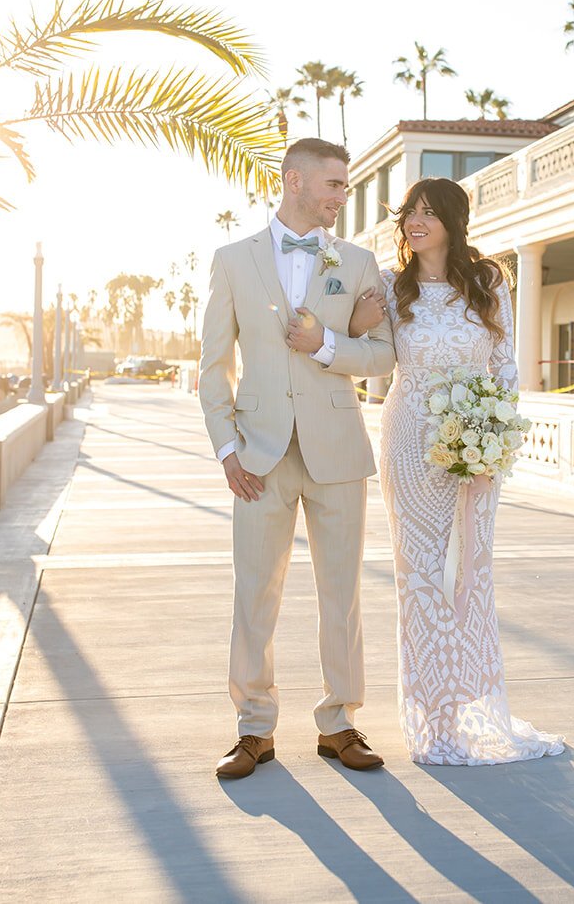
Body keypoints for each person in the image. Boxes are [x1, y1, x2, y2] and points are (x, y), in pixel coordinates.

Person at [347, 177, 565, 765]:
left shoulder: (490, 282)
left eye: (426, 212)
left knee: (469, 576)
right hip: (410, 442)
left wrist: (491, 447)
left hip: (475, 444)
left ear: (451, 219)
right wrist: (350, 324)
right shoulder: (393, 288)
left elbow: (504, 367)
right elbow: (362, 348)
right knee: (419, 579)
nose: (414, 222)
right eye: (408, 214)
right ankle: (433, 721)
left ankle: (470, 707)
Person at [197, 137, 396, 779]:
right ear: (295, 182)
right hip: (259, 453)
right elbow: (213, 366)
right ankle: (254, 729)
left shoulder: (359, 262)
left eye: (344, 185)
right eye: (335, 184)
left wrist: (327, 344)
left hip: (338, 449)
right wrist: (228, 449)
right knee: (254, 593)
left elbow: (384, 354)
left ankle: (338, 723)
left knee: (341, 596)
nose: (343, 195)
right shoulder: (232, 260)